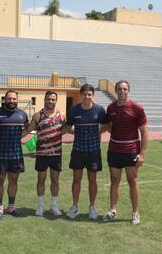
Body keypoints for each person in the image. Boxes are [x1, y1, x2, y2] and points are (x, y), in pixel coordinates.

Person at [103, 80, 148, 225]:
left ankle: (135, 213)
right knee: (114, 181)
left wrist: (142, 154)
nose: (122, 91)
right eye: (119, 89)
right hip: (114, 150)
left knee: (132, 181)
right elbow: (109, 126)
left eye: (125, 89)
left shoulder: (137, 108)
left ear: (128, 90)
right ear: (116, 91)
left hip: (131, 152)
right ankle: (112, 210)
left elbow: (144, 132)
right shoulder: (110, 108)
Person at [66, 83, 107, 220]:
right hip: (78, 150)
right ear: (81, 95)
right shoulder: (73, 110)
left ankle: (92, 207)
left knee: (92, 180)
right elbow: (68, 127)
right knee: (76, 179)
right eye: (84, 94)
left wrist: (95, 134)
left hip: (94, 151)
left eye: (89, 94)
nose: (87, 97)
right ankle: (75, 206)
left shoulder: (99, 110)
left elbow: (105, 127)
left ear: (92, 95)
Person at [22, 91, 65, 217]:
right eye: (48, 99)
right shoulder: (37, 116)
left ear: (56, 100)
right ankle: (40, 207)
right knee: (41, 179)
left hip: (56, 153)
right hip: (41, 154)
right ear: (44, 99)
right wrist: (11, 138)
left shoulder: (62, 115)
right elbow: (27, 131)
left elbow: (69, 129)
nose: (50, 101)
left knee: (55, 180)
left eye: (53, 99)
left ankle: (54, 206)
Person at [0, 90, 29, 219]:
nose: (11, 101)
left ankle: (11, 207)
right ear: (4, 99)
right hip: (0, 154)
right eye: (9, 99)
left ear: (17, 100)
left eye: (14, 99)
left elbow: (28, 128)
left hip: (16, 154)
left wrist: (18, 137)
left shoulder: (22, 114)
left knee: (13, 180)